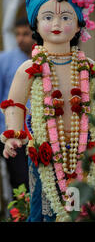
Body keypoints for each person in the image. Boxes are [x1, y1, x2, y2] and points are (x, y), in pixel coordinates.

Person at [0, 0, 95, 222]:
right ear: (36, 26)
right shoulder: (30, 68)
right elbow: (15, 103)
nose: (57, 24)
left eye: (66, 18)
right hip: (45, 155)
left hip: (85, 152)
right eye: (48, 17)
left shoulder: (88, 67)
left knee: (86, 211)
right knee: (45, 210)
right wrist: (13, 135)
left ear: (78, 26)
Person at [0, 17, 35, 194]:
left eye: (26, 34)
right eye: (17, 34)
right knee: (21, 184)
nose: (20, 39)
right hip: (13, 134)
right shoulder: (5, 60)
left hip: (39, 135)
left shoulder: (45, 59)